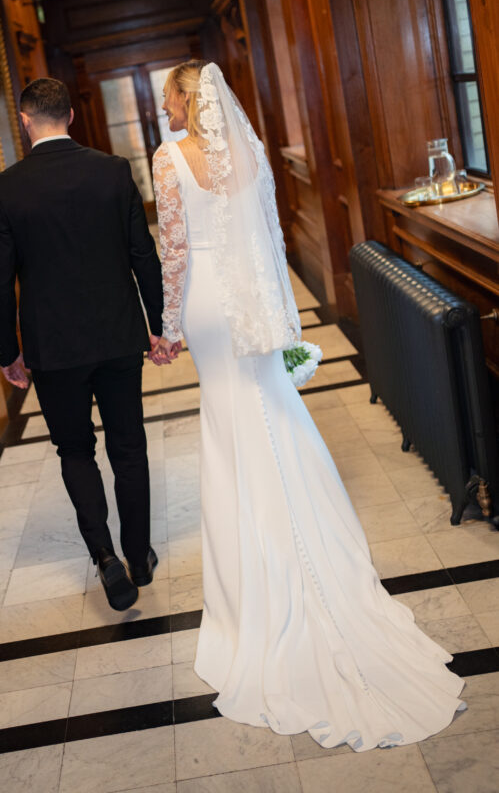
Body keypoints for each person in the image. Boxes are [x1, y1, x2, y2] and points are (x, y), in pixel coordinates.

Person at [150, 60, 466, 751]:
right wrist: (276, 318)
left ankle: (256, 585)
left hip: (206, 303)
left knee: (230, 426)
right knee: (269, 414)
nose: (166, 109)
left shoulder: (169, 158)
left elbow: (174, 252)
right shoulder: (249, 153)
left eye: (169, 97)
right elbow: (265, 240)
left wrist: (168, 328)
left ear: (185, 99)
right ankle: (298, 535)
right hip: (249, 304)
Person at [0, 77, 163, 611]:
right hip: (116, 335)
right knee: (128, 446)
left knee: (74, 450)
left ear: (24, 120)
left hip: (52, 346)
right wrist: (158, 324)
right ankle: (138, 555)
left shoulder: (5, 187)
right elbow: (143, 254)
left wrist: (6, 352)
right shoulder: (112, 171)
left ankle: (104, 556)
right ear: (70, 115)